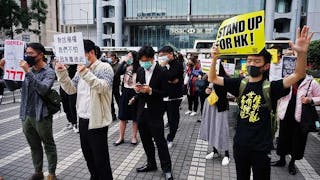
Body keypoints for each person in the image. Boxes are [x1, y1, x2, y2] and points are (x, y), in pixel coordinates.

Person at [208, 26, 313, 180]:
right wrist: (215, 58)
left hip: (261, 149)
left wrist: (302, 53)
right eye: (249, 60)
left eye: (256, 61)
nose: (251, 64)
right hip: (240, 146)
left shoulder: (272, 87)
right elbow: (213, 78)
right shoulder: (240, 84)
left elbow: (298, 74)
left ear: (266, 66)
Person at [55, 40, 114, 180]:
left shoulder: (105, 68)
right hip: (82, 119)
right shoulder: (79, 70)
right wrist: (62, 72)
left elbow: (103, 87)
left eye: (80, 55)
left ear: (91, 53)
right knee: (88, 156)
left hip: (97, 121)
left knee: (101, 159)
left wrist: (86, 73)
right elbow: (70, 89)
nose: (77, 60)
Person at [1, 43, 58, 180]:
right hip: (26, 114)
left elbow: (43, 89)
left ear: (41, 55)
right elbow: (12, 87)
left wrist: (28, 72)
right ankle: (38, 172)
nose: (28, 56)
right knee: (34, 145)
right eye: (26, 53)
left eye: (31, 53)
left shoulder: (48, 72)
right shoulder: (26, 68)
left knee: (48, 144)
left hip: (42, 114)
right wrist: (5, 69)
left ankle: (51, 173)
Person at [134, 46, 173, 180]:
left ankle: (167, 169)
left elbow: (167, 93)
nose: (143, 63)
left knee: (160, 141)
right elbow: (139, 87)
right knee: (145, 141)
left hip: (155, 112)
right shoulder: (140, 70)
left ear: (152, 58)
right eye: (141, 61)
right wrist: (137, 91)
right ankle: (151, 163)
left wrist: (150, 91)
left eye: (145, 60)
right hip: (141, 112)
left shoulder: (162, 71)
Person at [271, 75, 320, 175]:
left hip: (301, 118)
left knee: (298, 141)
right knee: (283, 139)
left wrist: (310, 100)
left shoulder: (312, 82)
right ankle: (282, 160)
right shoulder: (288, 79)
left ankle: (292, 163)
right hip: (286, 114)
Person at [200, 62, 230, 166]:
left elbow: (224, 91)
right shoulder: (208, 76)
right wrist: (206, 89)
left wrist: (212, 89)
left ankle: (227, 154)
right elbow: (202, 87)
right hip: (210, 105)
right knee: (211, 128)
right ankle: (215, 150)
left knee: (222, 129)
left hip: (220, 106)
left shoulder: (224, 78)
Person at [158, 46, 184, 149]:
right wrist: (168, 79)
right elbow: (161, 78)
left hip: (174, 97)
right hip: (162, 96)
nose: (161, 58)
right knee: (157, 119)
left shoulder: (177, 64)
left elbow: (171, 77)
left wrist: (164, 69)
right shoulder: (160, 64)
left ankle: (170, 139)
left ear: (170, 54)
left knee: (173, 120)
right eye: (160, 56)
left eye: (163, 55)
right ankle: (160, 139)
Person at [113, 51, 140, 146]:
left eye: (130, 56)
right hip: (125, 92)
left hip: (134, 92)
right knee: (122, 116)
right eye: (127, 56)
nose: (128, 57)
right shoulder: (125, 66)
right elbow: (117, 73)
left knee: (134, 117)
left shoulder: (139, 68)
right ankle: (121, 137)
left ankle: (134, 137)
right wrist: (124, 62)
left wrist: (136, 96)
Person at [59, 64, 78, 133]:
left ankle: (74, 123)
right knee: (65, 106)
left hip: (71, 89)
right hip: (62, 89)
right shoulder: (61, 66)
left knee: (72, 106)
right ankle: (70, 121)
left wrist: (67, 68)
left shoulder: (74, 67)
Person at [107, 52, 121, 121]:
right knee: (110, 101)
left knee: (118, 100)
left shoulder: (118, 65)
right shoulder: (108, 65)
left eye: (111, 57)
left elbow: (117, 74)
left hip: (116, 85)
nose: (110, 58)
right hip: (109, 85)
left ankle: (122, 114)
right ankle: (113, 115)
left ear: (114, 57)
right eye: (108, 57)